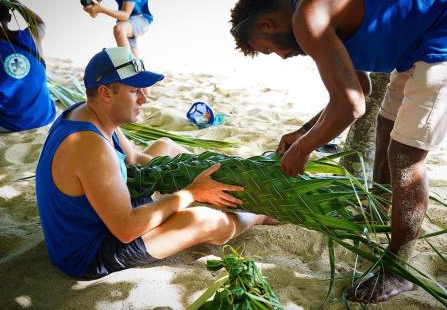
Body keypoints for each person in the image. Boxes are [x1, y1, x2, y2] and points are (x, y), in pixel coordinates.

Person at [229, 0, 447, 303]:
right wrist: (304, 131)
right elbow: (360, 90)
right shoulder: (317, 8)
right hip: (419, 40)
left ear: (267, 23)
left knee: (405, 155)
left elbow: (351, 107)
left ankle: (399, 269)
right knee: (387, 126)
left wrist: (304, 148)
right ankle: (379, 211)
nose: (282, 57)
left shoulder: (308, 16)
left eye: (270, 49)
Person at [35, 47, 274, 278]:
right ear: (106, 93)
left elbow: (135, 158)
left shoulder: (90, 113)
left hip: (104, 215)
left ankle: (220, 183)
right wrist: (191, 193)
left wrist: (189, 177)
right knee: (205, 221)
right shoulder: (91, 147)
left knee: (164, 145)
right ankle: (259, 215)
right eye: (134, 91)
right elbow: (126, 229)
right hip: (92, 252)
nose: (144, 98)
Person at [0, 0, 56, 132]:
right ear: (10, 16)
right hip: (44, 117)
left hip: (10, 125)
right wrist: (13, 1)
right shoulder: (32, 37)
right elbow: (39, 23)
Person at [83, 0, 153, 57]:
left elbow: (125, 15)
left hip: (142, 18)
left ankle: (126, 66)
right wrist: (90, 7)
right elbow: (94, 14)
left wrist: (102, 9)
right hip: (123, 19)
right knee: (134, 59)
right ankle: (133, 67)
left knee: (119, 29)